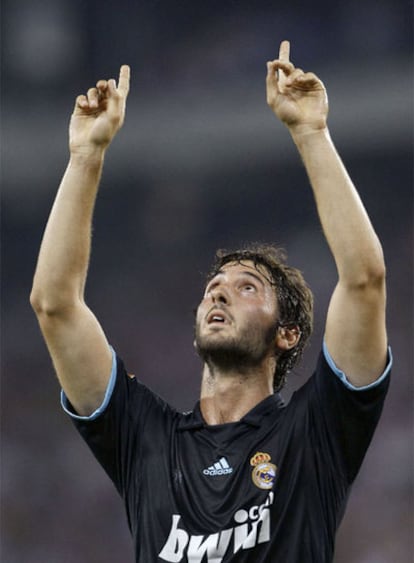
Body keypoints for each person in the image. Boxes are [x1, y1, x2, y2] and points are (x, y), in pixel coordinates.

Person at [30, 40, 391, 562]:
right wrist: (85, 157)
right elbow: (54, 305)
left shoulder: (315, 433)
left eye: (248, 287)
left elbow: (364, 279)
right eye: (213, 287)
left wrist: (311, 133)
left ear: (287, 333)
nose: (219, 290)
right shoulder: (146, 440)